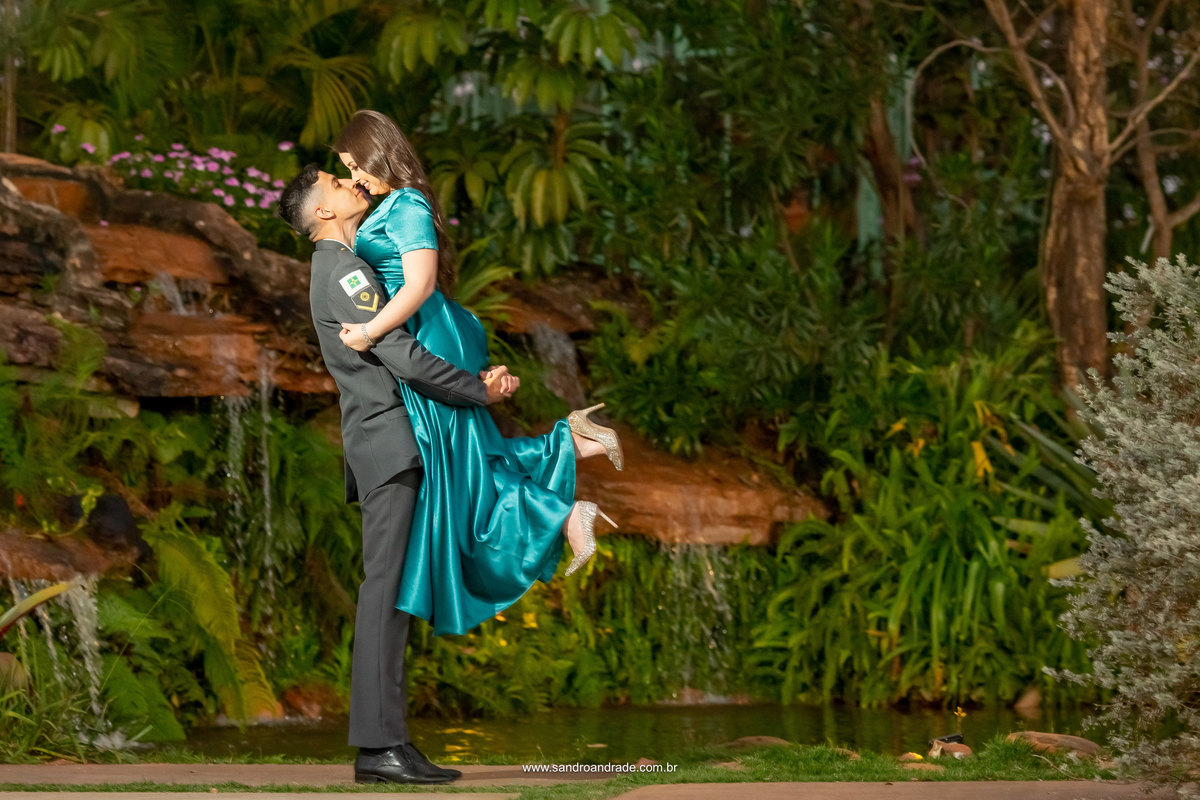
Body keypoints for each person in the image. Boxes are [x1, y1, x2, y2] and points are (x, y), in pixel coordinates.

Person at [332, 109, 622, 636]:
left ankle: (563, 511)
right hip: (426, 331)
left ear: (378, 154)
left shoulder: (409, 204)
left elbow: (418, 285)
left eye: (356, 164)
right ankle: (576, 443)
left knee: (457, 465)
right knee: (461, 458)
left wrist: (371, 332)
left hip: (430, 332)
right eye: (348, 169)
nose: (355, 177)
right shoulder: (391, 204)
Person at [278, 164, 516, 785]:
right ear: (324, 213)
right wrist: (477, 393)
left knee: (390, 595)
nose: (349, 184)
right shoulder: (344, 270)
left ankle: (388, 744)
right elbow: (402, 355)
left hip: (387, 443)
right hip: (388, 444)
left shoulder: (338, 266)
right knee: (384, 594)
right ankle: (379, 748)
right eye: (335, 182)